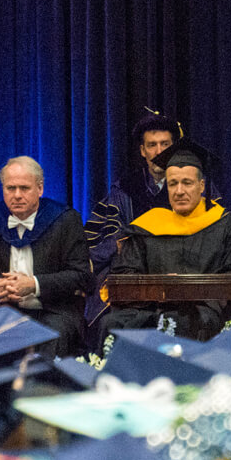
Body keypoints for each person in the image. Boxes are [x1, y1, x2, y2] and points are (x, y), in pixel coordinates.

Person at [103, 150, 231, 341]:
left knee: (181, 319)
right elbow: (125, 273)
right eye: (173, 184)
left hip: (205, 309)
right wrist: (160, 288)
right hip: (152, 306)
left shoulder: (229, 225)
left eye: (187, 183)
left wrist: (189, 292)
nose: (179, 191)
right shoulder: (148, 225)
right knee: (112, 323)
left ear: (202, 186)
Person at [0, 157, 94, 355]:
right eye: (10, 188)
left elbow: (82, 276)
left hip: (50, 311)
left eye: (24, 188)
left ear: (40, 189)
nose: (17, 195)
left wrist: (34, 284)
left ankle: (41, 387)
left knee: (52, 337)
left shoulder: (65, 220)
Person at [84, 113, 181, 330]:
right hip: (132, 276)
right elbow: (105, 241)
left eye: (165, 144)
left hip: (179, 272)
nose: (159, 151)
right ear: (142, 150)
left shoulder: (193, 186)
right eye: (152, 145)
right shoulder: (124, 189)